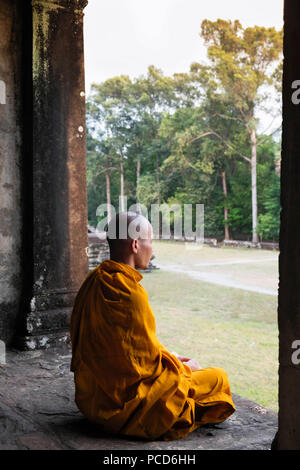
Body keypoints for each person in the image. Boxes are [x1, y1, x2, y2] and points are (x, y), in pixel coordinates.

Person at [70, 211, 235, 441]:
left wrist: (172, 357)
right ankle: (175, 411)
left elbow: (135, 349)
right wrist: (185, 370)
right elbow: (146, 368)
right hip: (129, 405)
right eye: (150, 241)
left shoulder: (93, 280)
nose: (152, 249)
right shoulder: (131, 294)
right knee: (218, 377)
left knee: (190, 370)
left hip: (93, 400)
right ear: (136, 244)